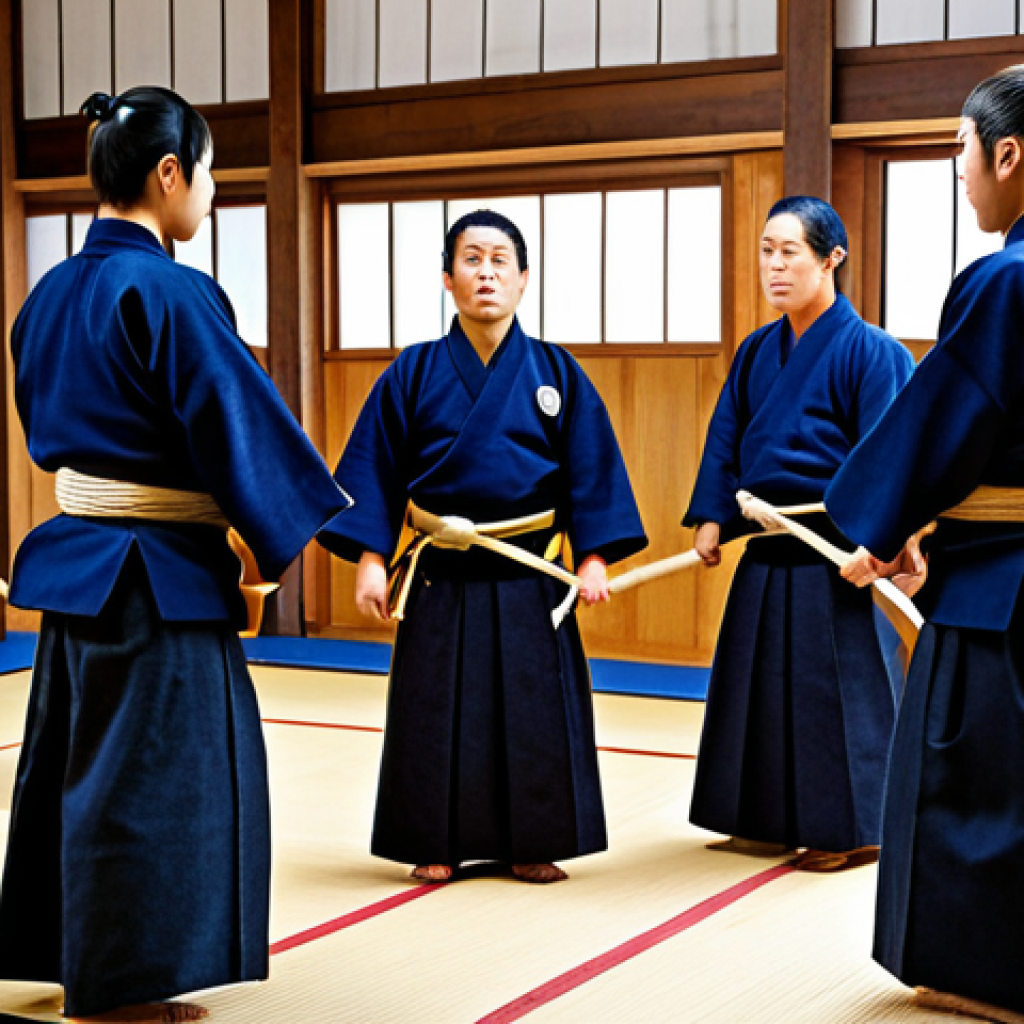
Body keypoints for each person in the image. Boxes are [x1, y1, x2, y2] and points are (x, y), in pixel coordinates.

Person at [0, 88, 352, 1023]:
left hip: (78, 571)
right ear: (168, 175)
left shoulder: (46, 297)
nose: (208, 194)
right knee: (153, 782)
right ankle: (121, 988)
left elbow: (49, 425)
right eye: (207, 176)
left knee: (80, 771)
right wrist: (273, 529)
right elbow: (232, 426)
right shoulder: (169, 289)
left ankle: (79, 958)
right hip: (155, 579)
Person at [323, 209, 646, 885]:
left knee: (533, 712)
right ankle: (433, 838)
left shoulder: (558, 371)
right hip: (442, 570)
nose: (486, 273)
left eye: (501, 260)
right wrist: (371, 560)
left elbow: (592, 470)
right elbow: (374, 470)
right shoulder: (411, 373)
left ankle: (532, 840)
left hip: (530, 572)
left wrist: (591, 559)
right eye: (471, 259)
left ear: (524, 280)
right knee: (435, 712)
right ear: (447, 278)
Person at [828, 66, 1024, 1024]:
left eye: (961, 148)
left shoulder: (1005, 282)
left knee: (986, 781)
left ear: (1009, 152)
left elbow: (951, 423)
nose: (961, 170)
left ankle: (999, 974)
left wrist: (884, 525)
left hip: (1006, 586)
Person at [683, 197, 914, 872]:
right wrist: (711, 516)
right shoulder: (757, 351)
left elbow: (891, 454)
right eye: (766, 250)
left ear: (831, 257)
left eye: (790, 251)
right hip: (767, 542)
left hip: (837, 550)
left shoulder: (873, 352)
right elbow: (727, 436)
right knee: (755, 687)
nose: (774, 265)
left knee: (836, 693)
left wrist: (881, 540)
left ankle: (853, 826)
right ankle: (761, 818)